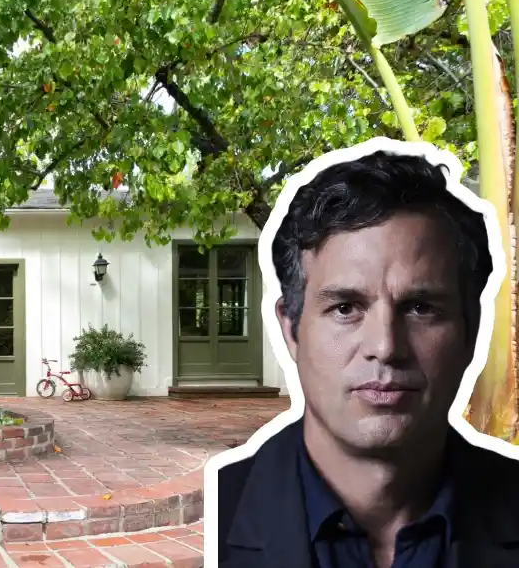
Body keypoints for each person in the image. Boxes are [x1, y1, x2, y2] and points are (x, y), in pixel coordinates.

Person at [215, 149, 519, 568]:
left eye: (421, 307)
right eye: (345, 308)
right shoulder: (216, 515)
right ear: (291, 330)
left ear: (471, 329)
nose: (386, 346)